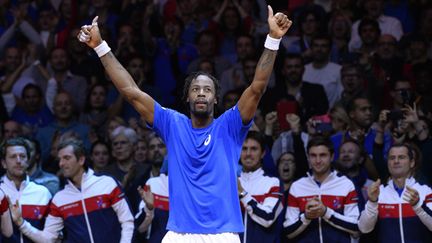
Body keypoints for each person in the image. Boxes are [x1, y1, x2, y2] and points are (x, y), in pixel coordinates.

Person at [78, 6, 291, 242]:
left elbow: (257, 87)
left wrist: (273, 40)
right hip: (179, 234)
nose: (201, 93)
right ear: (188, 97)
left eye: (207, 90)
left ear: (215, 98)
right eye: (196, 89)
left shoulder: (229, 126)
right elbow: (132, 93)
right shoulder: (172, 123)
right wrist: (100, 46)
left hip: (223, 234)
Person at [8, 138, 134, 242]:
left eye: (66, 158)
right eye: (60, 159)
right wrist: (21, 223)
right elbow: (47, 238)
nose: (61, 164)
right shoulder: (59, 199)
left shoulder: (107, 183)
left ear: (81, 160)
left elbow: (127, 221)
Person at [284, 136, 360, 242]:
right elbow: (288, 232)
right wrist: (306, 217)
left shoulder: (346, 184)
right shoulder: (297, 187)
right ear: (308, 158)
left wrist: (326, 212)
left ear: (332, 156)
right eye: (313, 156)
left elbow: (356, 227)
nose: (318, 160)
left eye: (323, 155)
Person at [358, 143, 432, 243]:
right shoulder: (379, 192)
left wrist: (418, 205)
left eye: (401, 157)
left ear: (412, 163)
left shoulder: (425, 191)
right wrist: (372, 202)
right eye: (392, 158)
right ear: (388, 163)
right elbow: (364, 228)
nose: (396, 161)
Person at [1, 137, 52, 243]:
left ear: (28, 161)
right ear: (4, 163)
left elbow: (51, 237)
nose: (18, 161)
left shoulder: (42, 193)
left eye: (22, 156)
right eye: (13, 157)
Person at [238, 131, 283, 243]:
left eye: (254, 149)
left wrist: (243, 194)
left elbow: (268, 218)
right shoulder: (229, 183)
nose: (248, 153)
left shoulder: (273, 182)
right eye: (244, 149)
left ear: (263, 153)